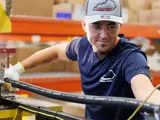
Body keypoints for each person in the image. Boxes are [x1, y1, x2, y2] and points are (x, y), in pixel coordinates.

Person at [3, 0, 160, 120]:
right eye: (96, 26)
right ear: (84, 25)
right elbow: (54, 52)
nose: (104, 34)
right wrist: (18, 68)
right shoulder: (82, 46)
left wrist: (157, 104)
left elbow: (145, 91)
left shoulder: (131, 57)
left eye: (111, 26)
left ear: (119, 26)